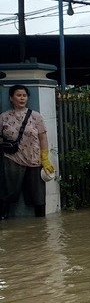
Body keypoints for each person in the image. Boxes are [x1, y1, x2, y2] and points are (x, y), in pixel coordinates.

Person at [0, 84, 55, 218]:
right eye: (18, 95)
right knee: (9, 192)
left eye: (24, 96)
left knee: (38, 196)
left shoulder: (36, 116)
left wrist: (45, 158)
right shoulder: (3, 117)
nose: (22, 98)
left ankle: (41, 226)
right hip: (12, 159)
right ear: (11, 98)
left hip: (34, 159)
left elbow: (43, 137)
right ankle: (3, 220)